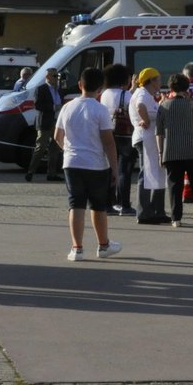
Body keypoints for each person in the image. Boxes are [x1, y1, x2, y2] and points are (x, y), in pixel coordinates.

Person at [53, 66, 122, 261]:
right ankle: (103, 245)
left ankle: (77, 248)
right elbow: (108, 141)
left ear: (80, 84)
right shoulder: (100, 110)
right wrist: (115, 169)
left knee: (75, 204)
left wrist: (68, 151)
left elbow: (58, 136)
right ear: (100, 88)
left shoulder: (68, 106)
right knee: (98, 206)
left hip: (72, 163)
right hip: (96, 164)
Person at [156, 73, 193, 227]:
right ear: (187, 87)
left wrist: (160, 152)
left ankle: (176, 218)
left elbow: (159, 132)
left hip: (171, 151)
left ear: (170, 87)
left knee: (175, 186)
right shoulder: (192, 105)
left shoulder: (163, 106)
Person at [131, 68, 171, 225]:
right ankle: (144, 212)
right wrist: (146, 120)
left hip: (151, 140)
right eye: (158, 79)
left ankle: (157, 210)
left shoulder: (148, 95)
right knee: (147, 174)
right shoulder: (142, 94)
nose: (160, 82)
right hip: (145, 138)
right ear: (152, 80)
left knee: (157, 173)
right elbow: (140, 106)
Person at [102, 63, 137, 216]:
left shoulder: (105, 93)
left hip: (109, 133)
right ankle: (125, 204)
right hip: (126, 136)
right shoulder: (127, 95)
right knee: (125, 171)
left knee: (110, 169)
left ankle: (109, 203)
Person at [26, 67, 64, 183]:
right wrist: (53, 108)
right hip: (45, 122)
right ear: (47, 77)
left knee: (55, 148)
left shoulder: (59, 90)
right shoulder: (41, 89)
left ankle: (51, 173)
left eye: (57, 76)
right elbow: (38, 105)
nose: (56, 78)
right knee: (41, 147)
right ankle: (30, 172)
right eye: (54, 76)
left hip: (56, 122)